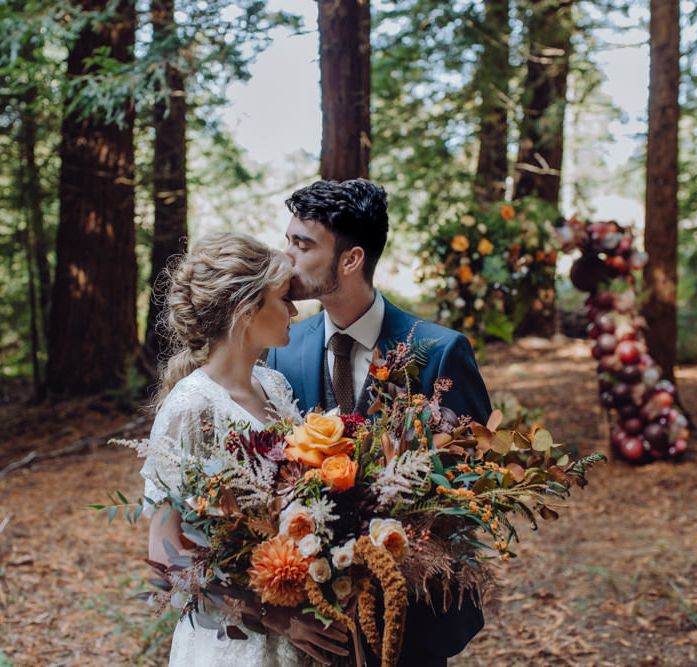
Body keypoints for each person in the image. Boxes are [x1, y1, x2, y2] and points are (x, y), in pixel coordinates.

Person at [267, 179, 493, 666]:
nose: (286, 256)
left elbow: (469, 486)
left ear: (350, 260)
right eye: (288, 240)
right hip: (315, 627)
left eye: (302, 244)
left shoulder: (438, 351)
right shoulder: (281, 350)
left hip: (411, 626)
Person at [140, 232, 350, 667]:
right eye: (282, 298)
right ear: (246, 310)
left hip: (303, 629)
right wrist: (274, 616)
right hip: (232, 641)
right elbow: (165, 553)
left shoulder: (272, 385)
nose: (293, 310)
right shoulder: (190, 405)